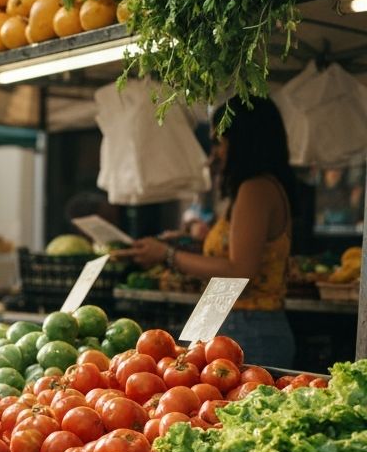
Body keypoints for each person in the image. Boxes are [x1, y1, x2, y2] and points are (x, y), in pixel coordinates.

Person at [123, 96, 298, 367]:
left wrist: (168, 255)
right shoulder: (256, 188)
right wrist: (187, 242)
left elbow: (240, 271)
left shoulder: (256, 189)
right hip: (238, 323)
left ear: (242, 141)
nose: (214, 153)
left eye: (219, 141)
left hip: (249, 328)